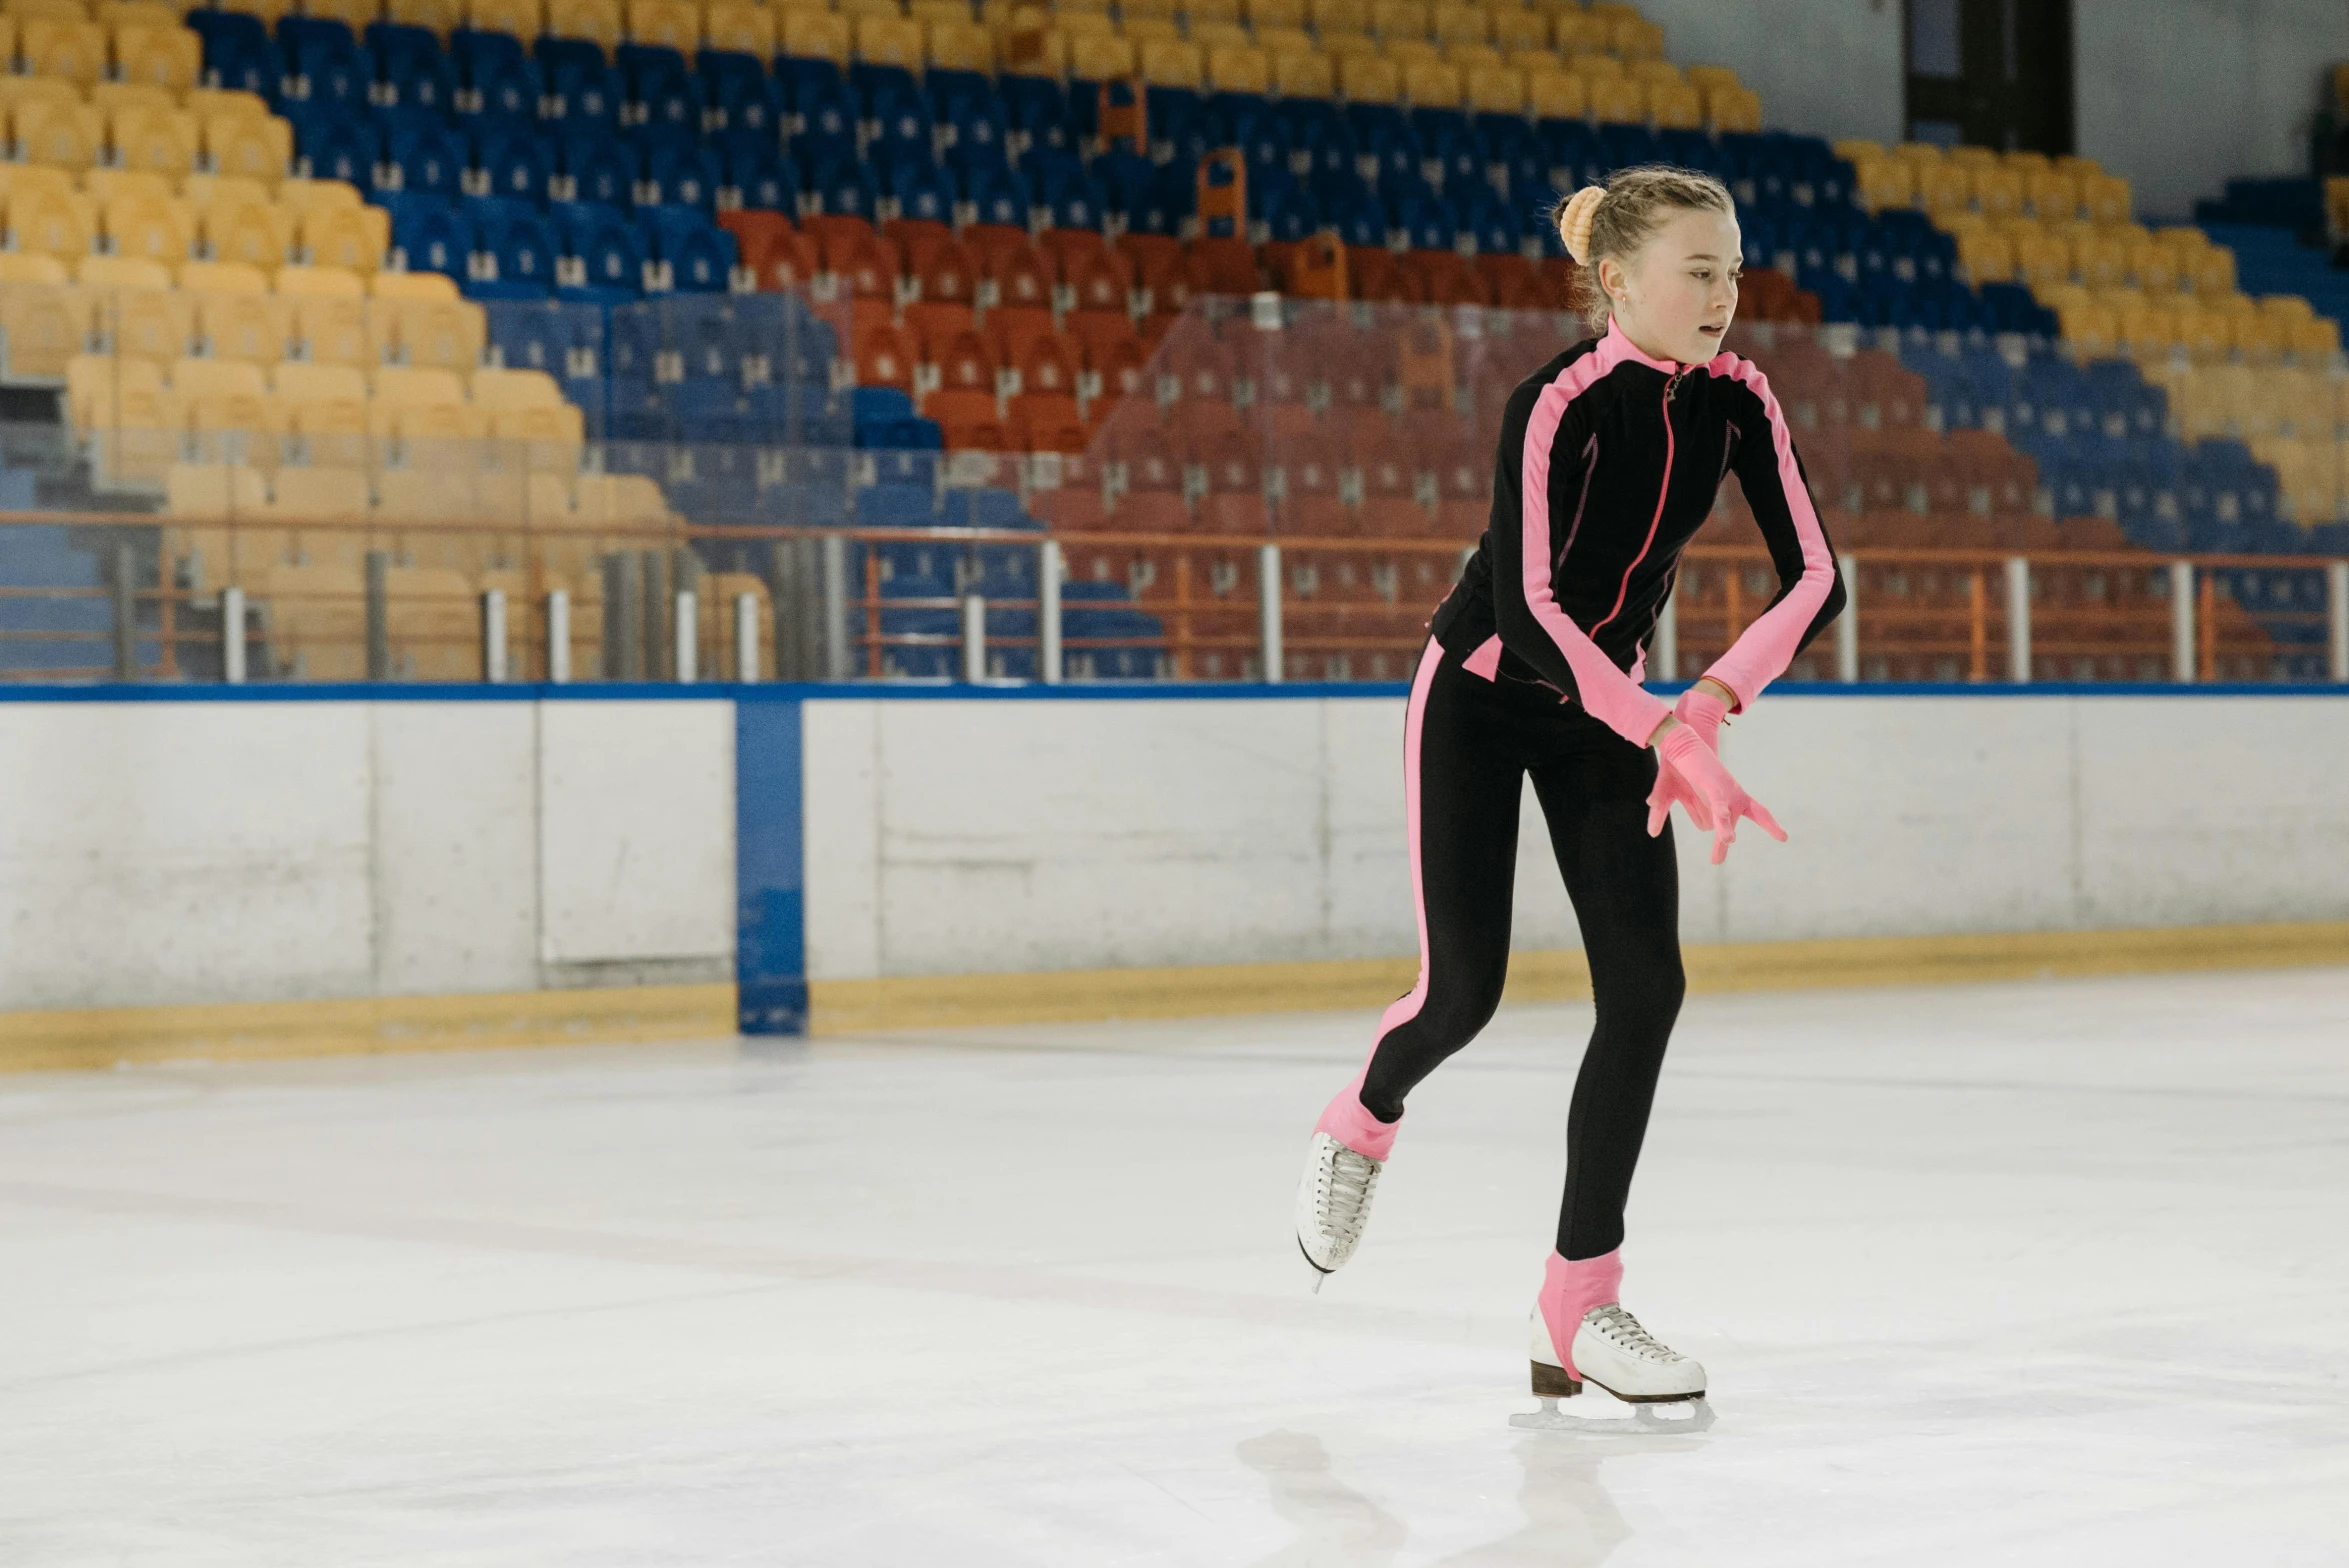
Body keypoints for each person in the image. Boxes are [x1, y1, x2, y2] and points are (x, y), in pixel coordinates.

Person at [1292, 166, 1846, 1414]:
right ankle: (1361, 1116)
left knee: (1647, 987)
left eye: (1736, 270)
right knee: (1463, 992)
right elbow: (1535, 613)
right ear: (1618, 281)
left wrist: (1705, 707)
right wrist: (1662, 725)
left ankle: (1578, 1300)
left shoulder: (1742, 399)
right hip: (1487, 692)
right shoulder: (1556, 402)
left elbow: (1815, 580)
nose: (1726, 295)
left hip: (1620, 709)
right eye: (1700, 271)